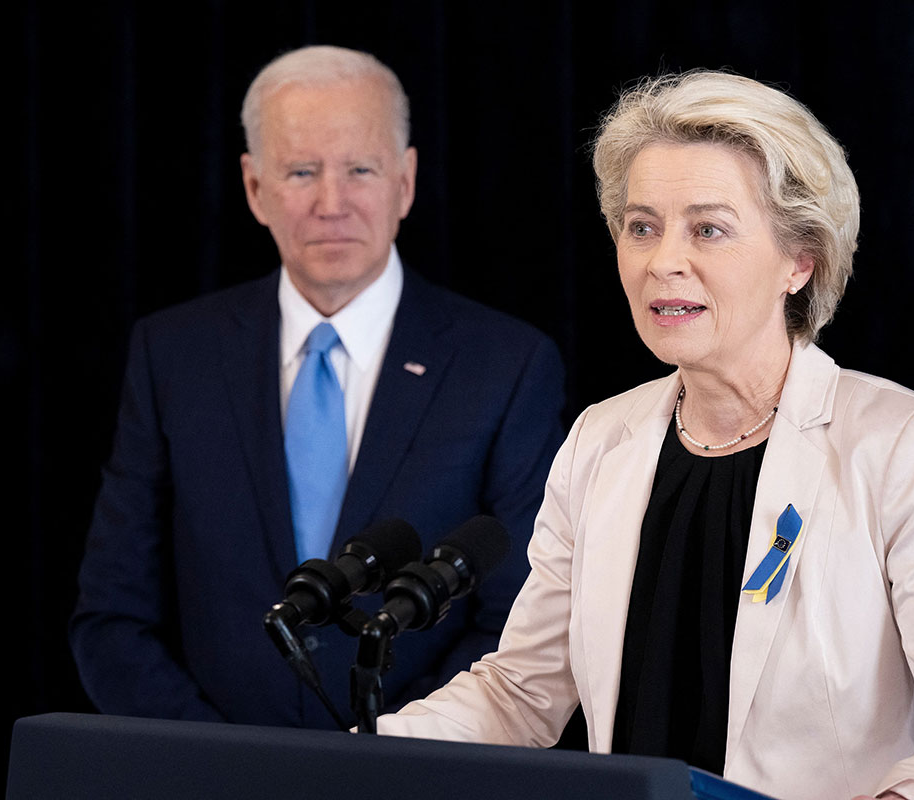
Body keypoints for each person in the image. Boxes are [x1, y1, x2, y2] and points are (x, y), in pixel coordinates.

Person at [373, 72, 914, 800]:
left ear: (799, 259)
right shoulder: (601, 440)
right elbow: (522, 692)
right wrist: (365, 759)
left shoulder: (897, 441)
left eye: (708, 229)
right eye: (642, 226)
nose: (663, 261)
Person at [69, 45, 565, 730]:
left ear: (406, 181)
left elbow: (520, 624)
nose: (332, 203)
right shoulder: (173, 355)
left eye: (360, 169)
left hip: (416, 778)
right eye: (302, 171)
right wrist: (220, 771)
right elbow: (113, 617)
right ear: (253, 188)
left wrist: (384, 755)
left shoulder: (506, 365)